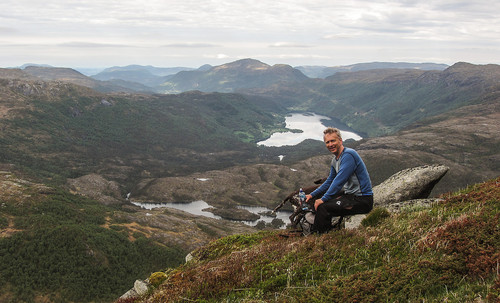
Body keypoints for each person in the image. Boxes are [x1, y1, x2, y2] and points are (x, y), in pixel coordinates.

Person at [305, 127, 373, 233]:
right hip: (351, 197)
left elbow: (339, 181)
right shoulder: (335, 160)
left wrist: (323, 199)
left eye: (333, 141)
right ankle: (326, 230)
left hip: (362, 200)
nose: (330, 144)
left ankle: (319, 237)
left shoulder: (349, 155)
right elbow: (329, 181)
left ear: (340, 141)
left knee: (323, 207)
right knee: (320, 204)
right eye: (327, 142)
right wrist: (312, 195)